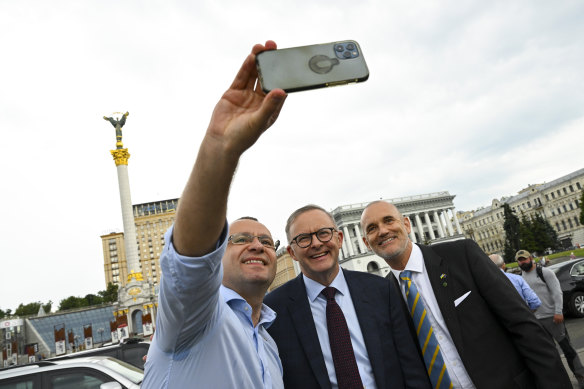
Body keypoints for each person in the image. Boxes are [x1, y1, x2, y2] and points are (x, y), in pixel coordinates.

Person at [142, 40, 287, 389]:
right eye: (240, 239)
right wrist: (221, 148)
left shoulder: (268, 344)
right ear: (217, 253)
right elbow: (190, 262)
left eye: (266, 241)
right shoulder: (196, 316)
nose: (257, 245)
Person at [359, 201, 571, 389]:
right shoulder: (384, 294)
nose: (383, 231)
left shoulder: (462, 255)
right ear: (366, 242)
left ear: (406, 224)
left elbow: (525, 326)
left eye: (388, 220)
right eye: (372, 228)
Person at [264, 205, 431, 389]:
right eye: (304, 238)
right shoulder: (273, 310)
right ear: (292, 253)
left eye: (324, 233)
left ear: (340, 238)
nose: (316, 243)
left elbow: (411, 367)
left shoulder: (382, 290)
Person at [517, 249, 584, 388]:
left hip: (553, 318)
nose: (523, 262)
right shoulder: (520, 277)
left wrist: (558, 311)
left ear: (531, 258)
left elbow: (557, 292)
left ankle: (581, 377)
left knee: (568, 349)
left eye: (525, 259)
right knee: (549, 354)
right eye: (520, 260)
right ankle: (562, 383)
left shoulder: (544, 272)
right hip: (536, 321)